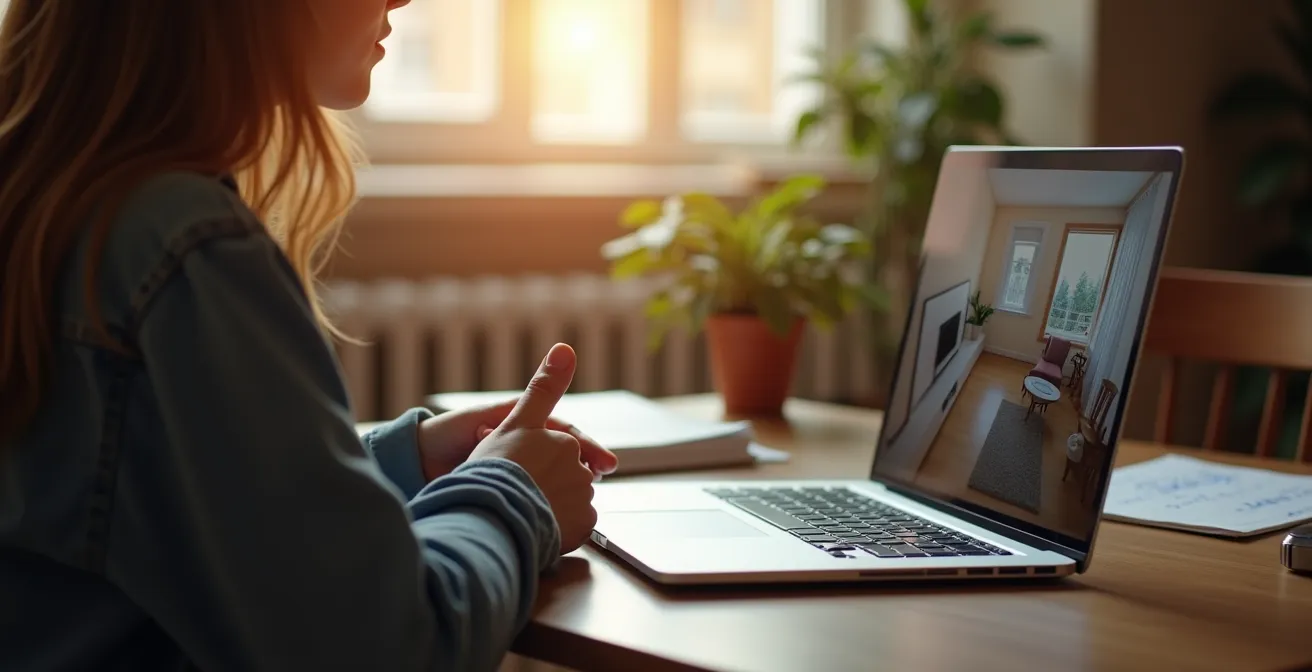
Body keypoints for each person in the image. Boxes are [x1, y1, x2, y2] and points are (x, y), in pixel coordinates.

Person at [0, 1, 618, 670]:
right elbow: (388, 647)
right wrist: (513, 490)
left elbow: (158, 504)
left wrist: (403, 461)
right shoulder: (183, 247)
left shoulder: (54, 209)